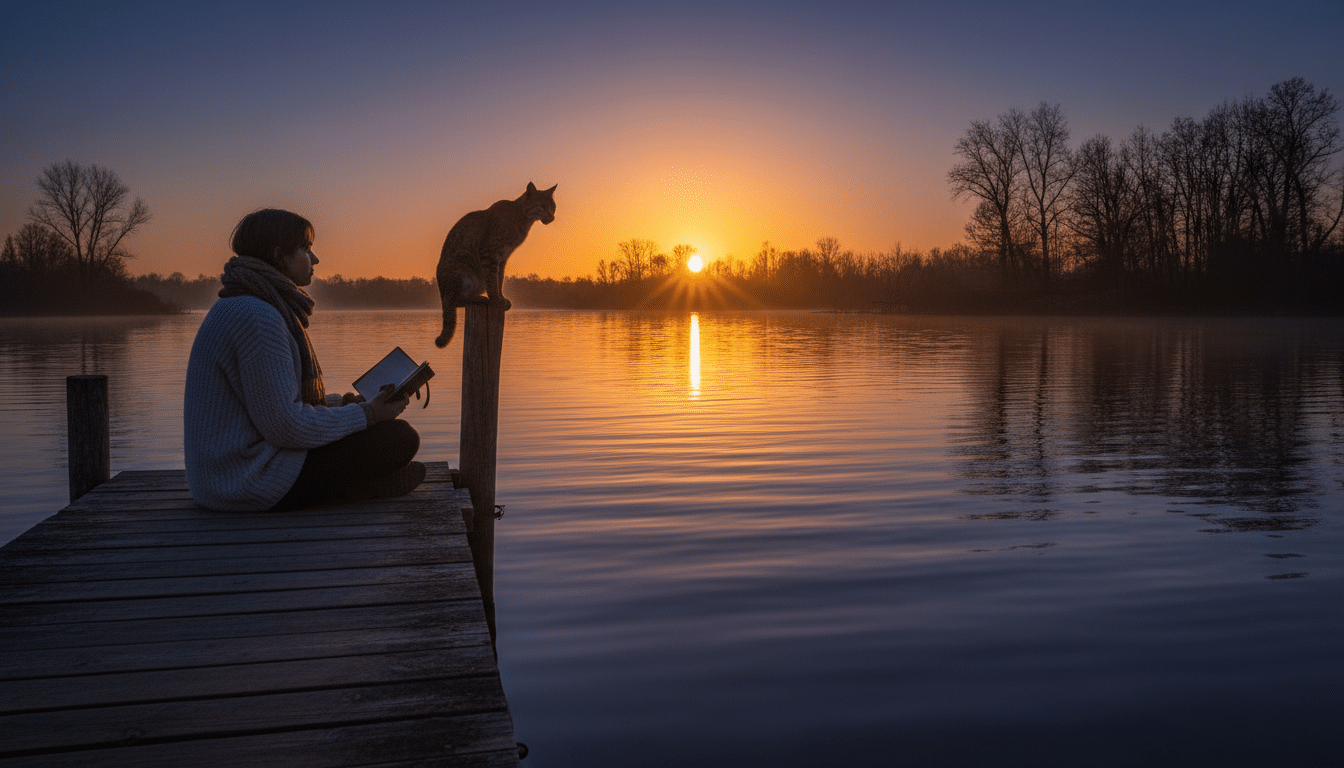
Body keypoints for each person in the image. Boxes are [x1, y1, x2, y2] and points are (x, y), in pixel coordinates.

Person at [184, 208, 424, 511]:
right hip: (244, 481)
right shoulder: (258, 317)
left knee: (382, 434)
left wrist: (353, 403)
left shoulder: (247, 306)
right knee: (397, 439)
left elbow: (278, 406)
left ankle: (362, 484)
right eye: (306, 248)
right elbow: (286, 426)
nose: (316, 259)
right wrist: (368, 414)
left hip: (226, 476)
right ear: (279, 254)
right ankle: (361, 486)